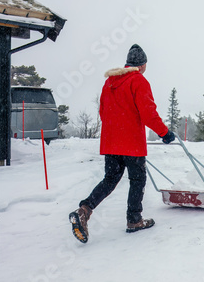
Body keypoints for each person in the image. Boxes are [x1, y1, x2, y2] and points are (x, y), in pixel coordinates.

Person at [69, 44, 175, 243]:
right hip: (132, 144)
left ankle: (84, 210)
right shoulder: (138, 81)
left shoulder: (109, 83)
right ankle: (134, 220)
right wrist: (165, 133)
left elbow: (102, 112)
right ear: (142, 65)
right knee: (137, 180)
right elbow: (148, 114)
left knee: (110, 180)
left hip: (111, 142)